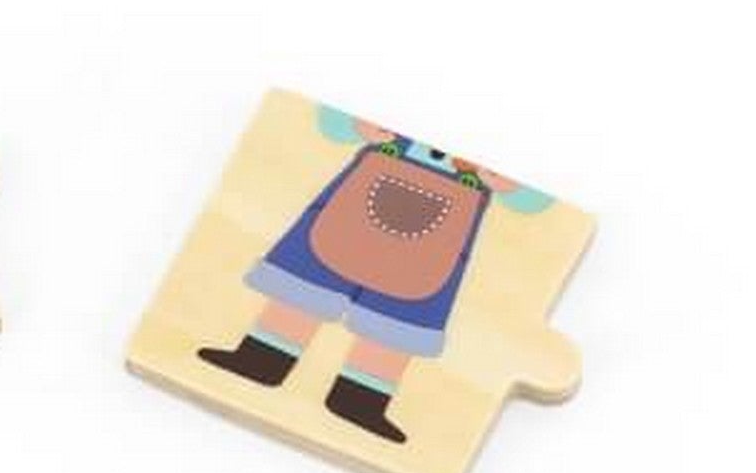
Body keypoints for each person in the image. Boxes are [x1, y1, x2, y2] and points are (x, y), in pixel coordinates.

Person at [196, 104, 554, 444]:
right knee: (305, 289)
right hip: (346, 216)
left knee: (395, 320)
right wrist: (355, 126)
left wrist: (509, 185)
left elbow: (535, 204)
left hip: (433, 249)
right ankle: (261, 359)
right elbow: (328, 122)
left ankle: (360, 399)